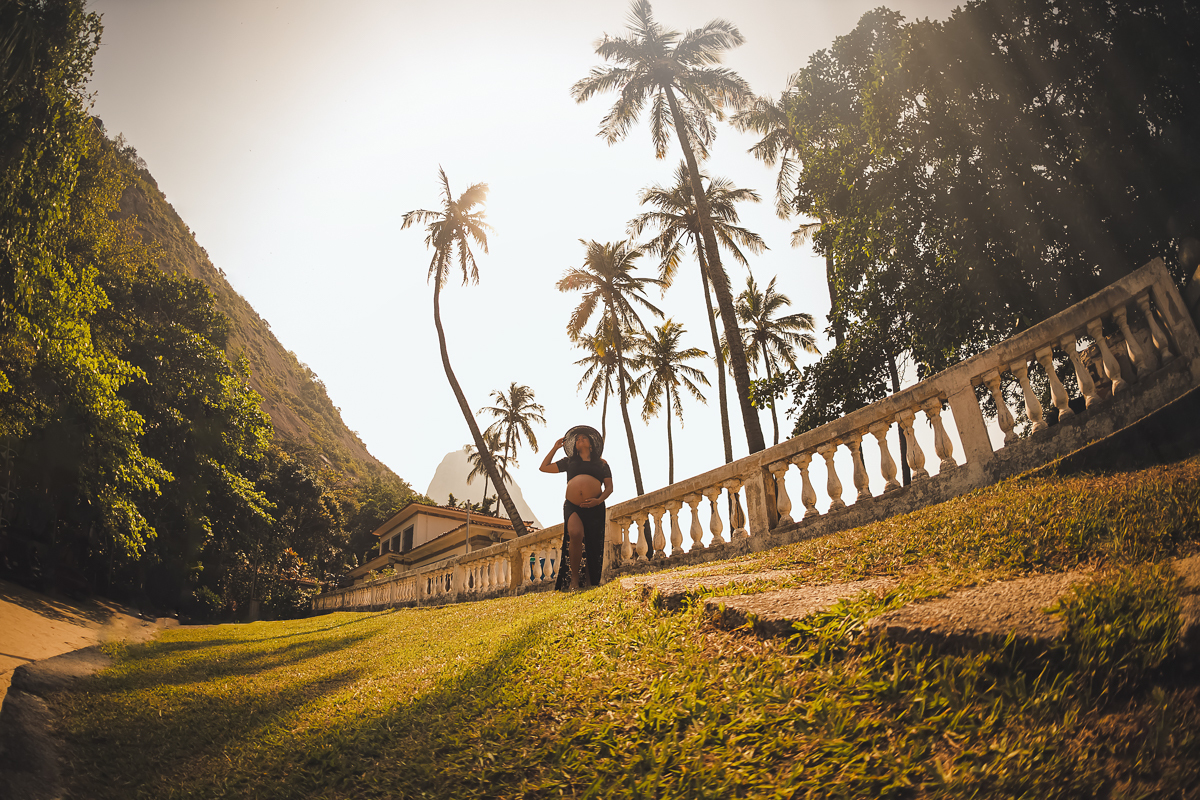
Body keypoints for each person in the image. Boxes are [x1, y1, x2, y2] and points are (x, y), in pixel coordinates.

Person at [539, 425, 612, 590]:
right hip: (572, 506)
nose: (580, 440)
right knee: (575, 534)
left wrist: (598, 501)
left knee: (592, 542)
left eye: (583, 438)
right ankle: (573, 579)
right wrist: (554, 448)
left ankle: (588, 580)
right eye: (577, 439)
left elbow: (609, 488)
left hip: (595, 506)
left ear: (591, 445)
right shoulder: (569, 461)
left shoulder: (601, 464)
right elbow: (544, 467)